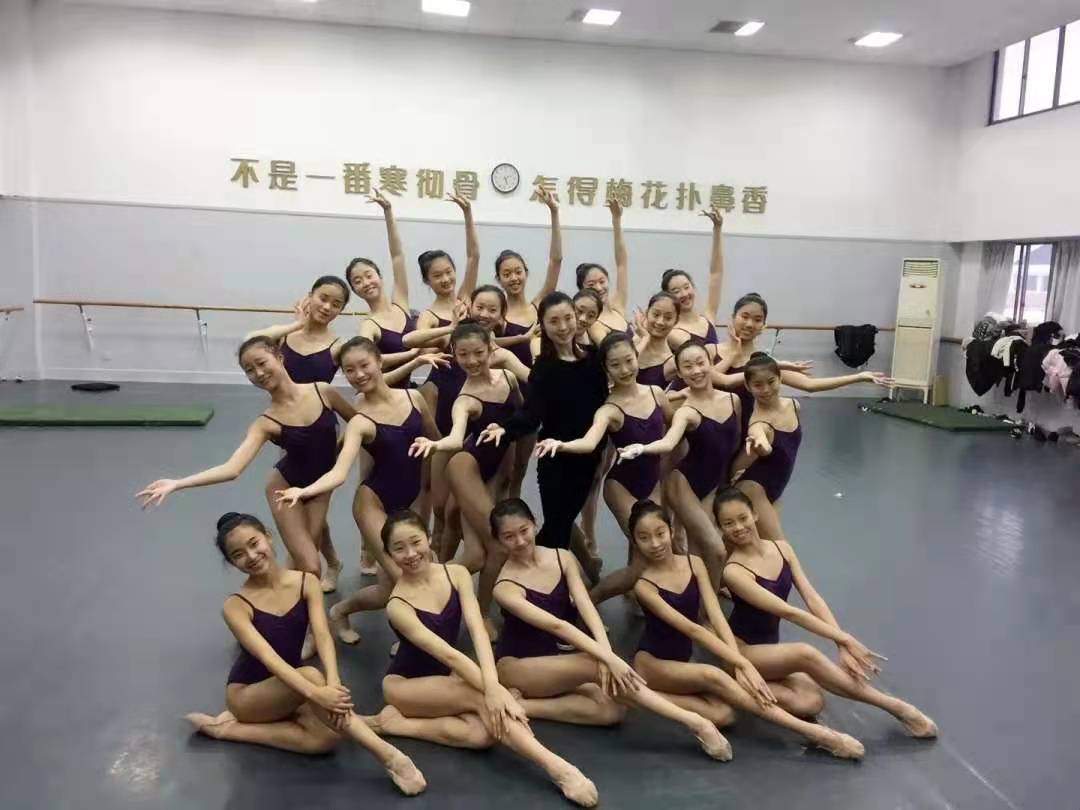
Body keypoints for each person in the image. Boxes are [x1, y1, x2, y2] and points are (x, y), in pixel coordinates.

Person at [184, 512, 427, 796]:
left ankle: (227, 730)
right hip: (248, 696)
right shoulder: (236, 606)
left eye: (254, 543)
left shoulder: (305, 582)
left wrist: (333, 682)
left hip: (292, 686)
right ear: (231, 562)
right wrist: (316, 693)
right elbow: (269, 658)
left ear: (269, 537)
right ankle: (390, 757)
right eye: (238, 554)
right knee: (312, 675)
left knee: (325, 740)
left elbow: (322, 634)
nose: (251, 556)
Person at [366, 511, 599, 807]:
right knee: (482, 698)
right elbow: (449, 654)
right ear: (389, 555)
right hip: (405, 685)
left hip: (445, 677)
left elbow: (478, 632)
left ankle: (395, 725)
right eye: (399, 548)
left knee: (483, 735)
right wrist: (495, 690)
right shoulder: (397, 605)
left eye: (415, 542)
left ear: (429, 538)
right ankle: (559, 769)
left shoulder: (457, 574)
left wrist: (494, 687)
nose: (411, 554)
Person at [490, 499, 733, 760]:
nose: (520, 541)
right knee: (595, 665)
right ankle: (695, 723)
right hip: (518, 666)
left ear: (535, 524)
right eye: (509, 537)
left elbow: (586, 607)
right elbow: (557, 625)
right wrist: (606, 658)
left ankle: (523, 705)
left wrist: (606, 652)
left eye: (524, 530)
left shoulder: (562, 557)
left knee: (612, 711)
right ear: (499, 541)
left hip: (554, 664)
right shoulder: (504, 587)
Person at [626, 500, 868, 759]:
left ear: (671, 530)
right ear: (635, 541)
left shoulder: (694, 563)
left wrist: (737, 661)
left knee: (725, 715)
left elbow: (716, 616)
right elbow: (693, 630)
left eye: (660, 533)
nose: (655, 543)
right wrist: (741, 663)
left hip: (682, 662)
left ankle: (648, 697)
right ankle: (817, 734)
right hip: (654, 664)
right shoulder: (644, 586)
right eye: (644, 537)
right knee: (713, 675)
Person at [716, 489, 938, 739]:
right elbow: (788, 612)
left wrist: (840, 643)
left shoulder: (782, 549)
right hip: (743, 653)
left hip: (769, 650)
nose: (738, 527)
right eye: (728, 523)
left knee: (811, 702)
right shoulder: (734, 572)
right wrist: (846, 639)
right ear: (721, 529)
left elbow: (812, 598)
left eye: (742, 518)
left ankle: (737, 690)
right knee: (805, 653)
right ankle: (899, 709)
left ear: (755, 515)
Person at [137, 336, 355, 582]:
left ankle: (300, 588)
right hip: (284, 488)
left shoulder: (323, 391)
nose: (258, 373)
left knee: (305, 558)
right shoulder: (266, 422)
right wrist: (177, 483)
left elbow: (359, 422)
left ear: (279, 357)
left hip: (320, 488)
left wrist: (340, 449)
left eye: (261, 363)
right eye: (249, 370)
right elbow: (232, 469)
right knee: (311, 565)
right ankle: (295, 598)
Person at [274, 337, 443, 644]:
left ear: (379, 361)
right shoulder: (359, 417)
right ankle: (411, 642)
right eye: (349, 370)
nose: (358, 374)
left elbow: (437, 440)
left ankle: (340, 611)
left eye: (364, 365)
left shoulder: (414, 398)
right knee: (405, 576)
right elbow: (340, 471)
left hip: (411, 500)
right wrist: (304, 490)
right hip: (373, 503)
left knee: (388, 589)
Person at [533, 333, 674, 603]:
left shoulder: (656, 394)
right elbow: (589, 442)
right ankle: (591, 599)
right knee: (647, 550)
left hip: (653, 483)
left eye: (629, 361)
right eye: (615, 365)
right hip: (621, 486)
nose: (625, 369)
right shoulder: (609, 409)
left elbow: (674, 428)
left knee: (645, 553)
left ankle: (635, 595)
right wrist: (561, 444)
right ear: (606, 369)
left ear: (637, 357)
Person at [477, 292, 606, 577]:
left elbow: (606, 404)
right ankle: (548, 582)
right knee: (557, 527)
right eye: (554, 321)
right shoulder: (544, 367)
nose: (563, 327)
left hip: (586, 458)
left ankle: (580, 569)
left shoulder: (594, 359)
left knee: (562, 521)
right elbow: (530, 414)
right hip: (554, 459)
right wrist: (505, 429)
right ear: (543, 326)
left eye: (568, 318)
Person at [410, 321, 523, 625]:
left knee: (475, 554)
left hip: (493, 473)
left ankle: (433, 586)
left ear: (491, 348)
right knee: (498, 545)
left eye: (478, 353)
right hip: (467, 467)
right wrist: (435, 444)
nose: (471, 361)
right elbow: (456, 438)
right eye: (463, 355)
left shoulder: (509, 377)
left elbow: (524, 413)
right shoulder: (465, 399)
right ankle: (481, 613)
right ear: (454, 353)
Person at [244, 275, 352, 592]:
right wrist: (296, 325)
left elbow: (367, 365)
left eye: (336, 304)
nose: (327, 307)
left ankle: (316, 569)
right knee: (302, 506)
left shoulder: (337, 346)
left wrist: (344, 444)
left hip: (321, 433)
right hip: (290, 431)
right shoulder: (281, 340)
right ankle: (331, 561)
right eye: (323, 298)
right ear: (309, 296)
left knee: (313, 514)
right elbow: (251, 340)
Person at [730, 352, 891, 544]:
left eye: (771, 382)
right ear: (748, 386)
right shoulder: (759, 423)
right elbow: (762, 442)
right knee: (781, 547)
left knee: (762, 546)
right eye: (758, 385)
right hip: (754, 488)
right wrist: (760, 445)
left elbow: (812, 385)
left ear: (780, 378)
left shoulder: (793, 405)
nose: (765, 389)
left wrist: (860, 376)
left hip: (776, 487)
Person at [616, 340, 740, 590]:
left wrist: (736, 472)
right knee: (717, 550)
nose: (696, 371)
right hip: (683, 484)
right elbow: (668, 442)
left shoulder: (733, 400)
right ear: (680, 374)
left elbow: (732, 444)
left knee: (697, 553)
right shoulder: (686, 411)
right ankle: (707, 606)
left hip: (711, 485)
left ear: (710, 363)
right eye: (687, 367)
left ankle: (697, 598)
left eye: (700, 363)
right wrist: (642, 448)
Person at [494, 186, 564, 498]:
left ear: (526, 273)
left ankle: (512, 511)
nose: (513, 278)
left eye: (518, 271)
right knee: (500, 468)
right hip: (502, 397)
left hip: (532, 397)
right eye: (506, 274)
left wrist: (554, 212)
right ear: (499, 279)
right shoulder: (496, 315)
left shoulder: (538, 306)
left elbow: (556, 260)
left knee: (519, 470)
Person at [415, 194, 481, 430]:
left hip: (475, 379)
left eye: (448, 272)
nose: (445, 279)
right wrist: (446, 336)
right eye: (437, 275)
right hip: (445, 385)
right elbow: (420, 349)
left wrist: (467, 213)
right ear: (427, 281)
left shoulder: (465, 299)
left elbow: (473, 256)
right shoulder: (428, 316)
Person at [348, 189, 419, 386]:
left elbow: (397, 256)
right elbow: (365, 361)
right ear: (355, 291)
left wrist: (388, 211)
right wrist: (412, 355)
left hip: (407, 391)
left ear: (379, 277)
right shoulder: (369, 325)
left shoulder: (401, 302)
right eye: (357, 281)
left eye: (368, 275)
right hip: (383, 392)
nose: (366, 282)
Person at [662, 206, 727, 356]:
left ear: (693, 288)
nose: (684, 294)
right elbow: (702, 356)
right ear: (669, 298)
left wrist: (717, 229)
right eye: (676, 291)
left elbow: (716, 273)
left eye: (686, 287)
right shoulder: (672, 332)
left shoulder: (708, 317)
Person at [576, 198, 630, 338]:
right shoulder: (592, 322)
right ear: (582, 290)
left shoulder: (618, 305)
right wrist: (645, 338)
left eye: (602, 281)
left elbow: (622, 263)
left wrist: (616, 220)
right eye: (591, 284)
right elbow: (611, 350)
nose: (599, 288)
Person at [634, 291, 679, 387]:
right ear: (647, 313)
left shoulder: (671, 363)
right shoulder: (631, 343)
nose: (660, 322)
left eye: (668, 318)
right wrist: (645, 338)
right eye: (656, 315)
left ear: (676, 321)